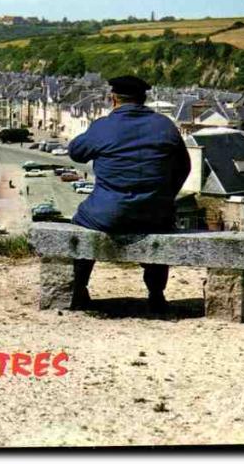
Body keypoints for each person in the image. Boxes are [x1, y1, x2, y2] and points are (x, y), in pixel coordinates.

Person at [67, 75, 190, 313]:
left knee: (79, 222)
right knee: (161, 222)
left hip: (108, 214)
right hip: (155, 213)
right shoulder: (165, 125)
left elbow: (75, 153)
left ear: (113, 99)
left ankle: (79, 287)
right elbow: (184, 167)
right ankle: (156, 293)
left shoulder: (103, 126)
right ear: (144, 99)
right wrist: (164, 195)